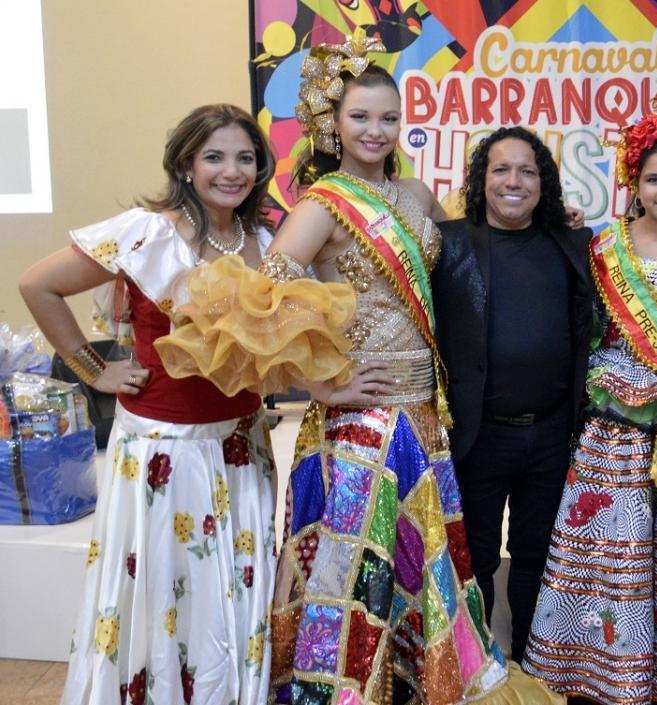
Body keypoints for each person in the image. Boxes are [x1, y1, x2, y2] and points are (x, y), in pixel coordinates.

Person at [155, 32, 559, 705]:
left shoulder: (419, 197)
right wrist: (318, 383)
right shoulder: (321, 206)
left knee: (417, 570)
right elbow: (253, 307)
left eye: (389, 117)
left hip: (425, 419)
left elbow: (474, 257)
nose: (377, 130)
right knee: (351, 576)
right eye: (361, 116)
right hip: (357, 423)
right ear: (332, 124)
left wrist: (551, 220)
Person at [19, 104, 278, 705]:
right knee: (164, 593)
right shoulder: (145, 231)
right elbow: (38, 284)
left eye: (245, 157)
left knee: (229, 597)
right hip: (164, 454)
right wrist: (94, 370)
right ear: (186, 165)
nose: (231, 171)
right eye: (214, 156)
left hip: (241, 449)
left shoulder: (264, 240)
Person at [520, 105, 657, 703]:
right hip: (612, 430)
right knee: (609, 554)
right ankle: (592, 671)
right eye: (653, 180)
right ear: (634, 183)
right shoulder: (604, 244)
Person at [432, 127, 596, 661]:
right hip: (478, 435)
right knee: (474, 557)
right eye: (500, 169)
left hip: (551, 435)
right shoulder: (447, 244)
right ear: (481, 181)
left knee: (537, 556)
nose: (513, 181)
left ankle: (532, 662)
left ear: (543, 183)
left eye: (527, 171)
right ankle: (476, 665)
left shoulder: (573, 244)